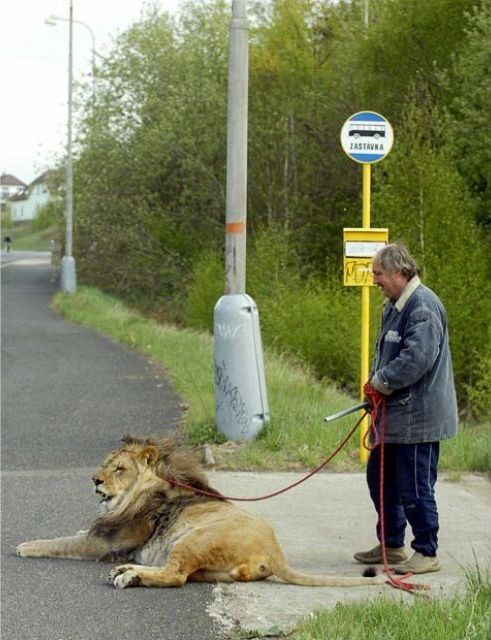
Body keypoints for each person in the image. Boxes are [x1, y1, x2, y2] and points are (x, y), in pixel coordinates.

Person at [354, 243, 458, 574]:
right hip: (394, 416)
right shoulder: (395, 305)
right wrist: (375, 387)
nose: (375, 281)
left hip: (418, 419)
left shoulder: (423, 306)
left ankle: (427, 551)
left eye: (378, 274)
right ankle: (392, 545)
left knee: (414, 487)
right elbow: (388, 353)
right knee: (379, 479)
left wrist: (379, 382)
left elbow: (417, 359)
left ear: (399, 272)